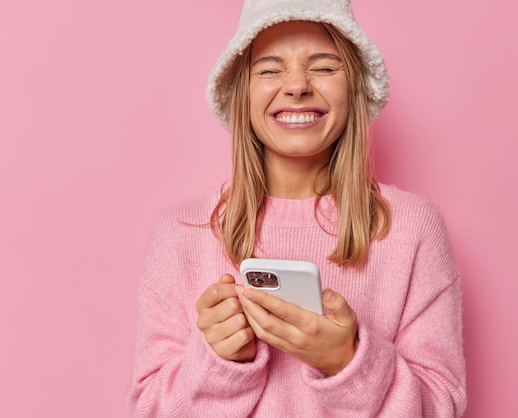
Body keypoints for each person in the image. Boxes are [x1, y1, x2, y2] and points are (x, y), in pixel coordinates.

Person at [126, 0, 467, 416]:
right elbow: (149, 409)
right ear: (242, 94)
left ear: (353, 86)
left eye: (324, 67)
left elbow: (441, 407)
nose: (297, 86)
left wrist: (347, 362)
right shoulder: (183, 232)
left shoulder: (412, 229)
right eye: (269, 69)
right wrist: (219, 364)